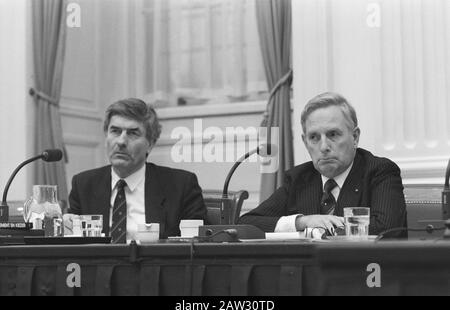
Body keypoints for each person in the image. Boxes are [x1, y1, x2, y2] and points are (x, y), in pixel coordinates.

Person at [238, 92, 407, 237]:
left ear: (354, 137)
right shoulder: (299, 178)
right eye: (314, 137)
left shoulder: (379, 171)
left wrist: (318, 231)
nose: (324, 147)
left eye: (333, 134)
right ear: (305, 142)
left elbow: (387, 229)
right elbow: (247, 224)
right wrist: (303, 221)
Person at [68, 98, 207, 242]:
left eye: (133, 133)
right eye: (115, 131)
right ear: (106, 136)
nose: (121, 141)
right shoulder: (83, 185)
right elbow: (71, 245)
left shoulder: (181, 186)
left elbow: (199, 245)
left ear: (150, 143)